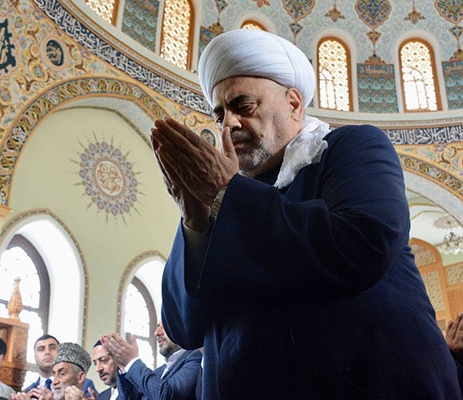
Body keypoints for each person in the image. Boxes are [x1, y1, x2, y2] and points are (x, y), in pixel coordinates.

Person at [152, 28, 461, 399]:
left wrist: (226, 193)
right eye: (220, 114)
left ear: (294, 104)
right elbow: (183, 327)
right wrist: (194, 219)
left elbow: (366, 243)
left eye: (243, 106)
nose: (228, 124)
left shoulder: (351, 147)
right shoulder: (222, 201)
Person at [102, 322, 201, 400]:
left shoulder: (196, 357)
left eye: (164, 326)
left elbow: (167, 396)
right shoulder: (159, 371)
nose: (157, 332)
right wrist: (123, 366)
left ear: (182, 327)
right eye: (158, 326)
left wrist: (132, 362)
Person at [24, 334, 96, 398]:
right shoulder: (28, 391)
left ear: (80, 377)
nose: (47, 352)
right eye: (41, 349)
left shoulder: (87, 385)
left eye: (62, 373)